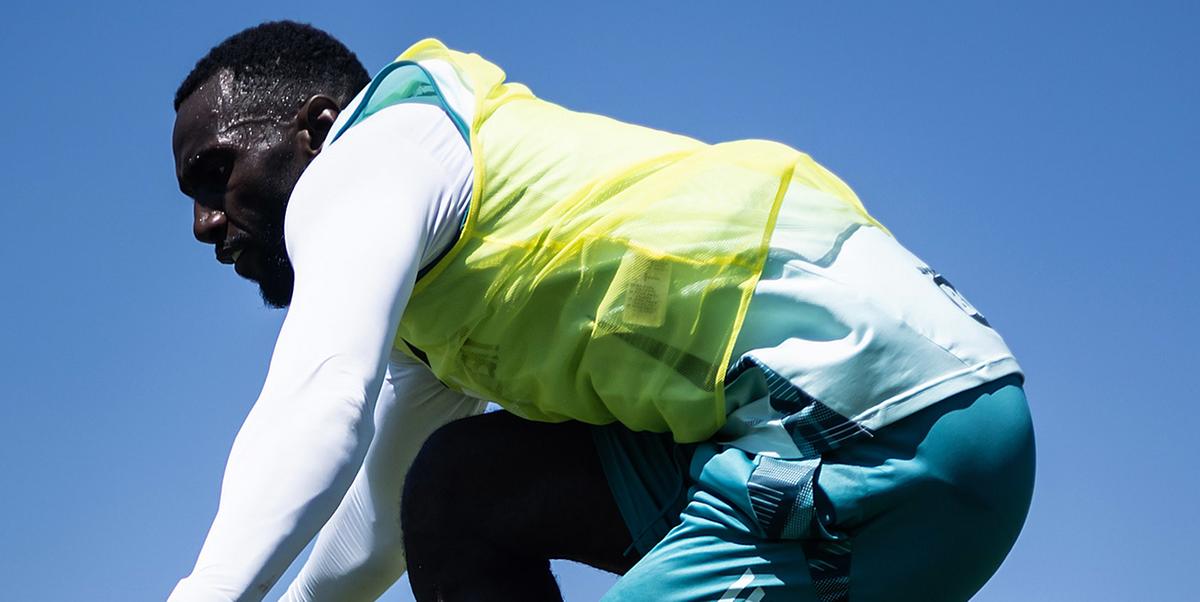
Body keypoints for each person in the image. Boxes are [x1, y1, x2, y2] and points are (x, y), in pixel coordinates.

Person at [167, 21, 1035, 602]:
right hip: (783, 445)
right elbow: (378, 528)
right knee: (458, 486)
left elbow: (315, 407)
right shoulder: (428, 299)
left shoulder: (370, 158)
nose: (206, 224)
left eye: (215, 174)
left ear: (319, 129)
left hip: (888, 434)